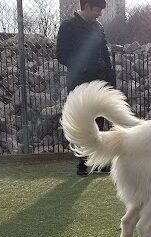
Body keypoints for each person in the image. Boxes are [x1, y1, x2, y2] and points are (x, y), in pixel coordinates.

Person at [56, 0, 117, 176]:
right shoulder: (68, 26)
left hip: (98, 80)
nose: (99, 14)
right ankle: (82, 162)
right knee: (81, 121)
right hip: (79, 81)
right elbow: (61, 54)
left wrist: (110, 79)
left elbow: (105, 55)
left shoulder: (98, 28)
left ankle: (99, 162)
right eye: (97, 10)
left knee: (99, 119)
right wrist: (82, 67)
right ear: (87, 7)